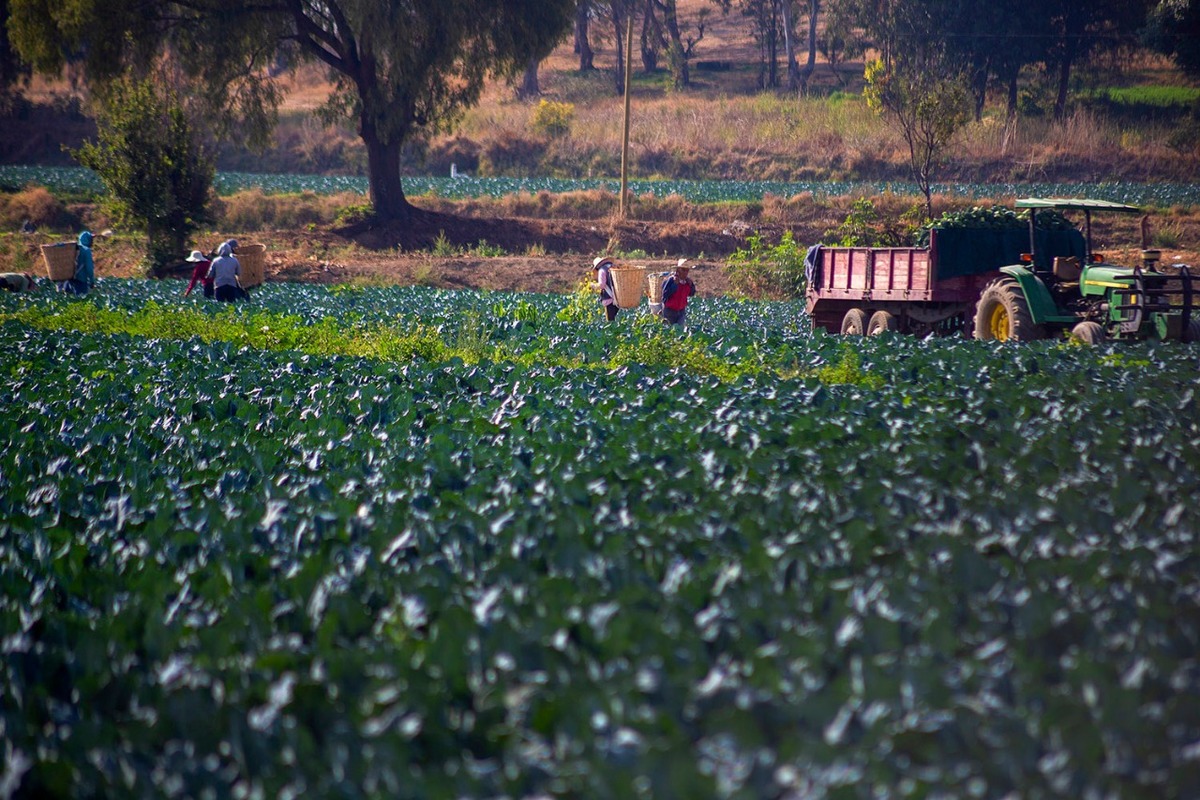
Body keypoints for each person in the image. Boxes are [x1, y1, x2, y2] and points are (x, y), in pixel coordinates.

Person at [659, 258, 697, 325]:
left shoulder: (688, 282)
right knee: (669, 332)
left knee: (679, 331)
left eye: (687, 270)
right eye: (683, 270)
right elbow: (665, 294)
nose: (685, 272)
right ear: (678, 270)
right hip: (669, 311)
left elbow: (692, 293)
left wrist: (691, 286)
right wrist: (674, 285)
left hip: (681, 311)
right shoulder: (671, 280)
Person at [57, 230, 95, 295]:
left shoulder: (73, 248)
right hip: (81, 282)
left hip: (68, 281)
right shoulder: (86, 250)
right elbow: (89, 268)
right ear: (88, 240)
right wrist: (92, 281)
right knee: (80, 303)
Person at [592, 255, 620, 321]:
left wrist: (593, 285)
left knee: (610, 322)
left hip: (609, 299)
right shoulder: (613, 267)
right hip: (619, 298)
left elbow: (602, 285)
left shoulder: (602, 270)